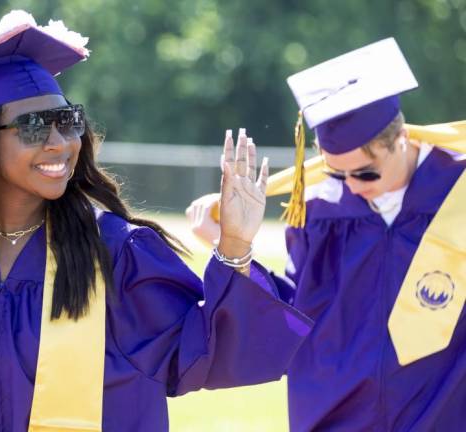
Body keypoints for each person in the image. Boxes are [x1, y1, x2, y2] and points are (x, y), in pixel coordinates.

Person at [0, 10, 312, 431]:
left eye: (67, 120)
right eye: (32, 126)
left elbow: (202, 354)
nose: (59, 142)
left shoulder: (117, 253)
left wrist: (233, 245)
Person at [187, 38, 466, 431]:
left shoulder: (458, 193)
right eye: (337, 172)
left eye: (366, 172)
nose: (351, 187)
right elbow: (292, 311)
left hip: (441, 413)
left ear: (401, 140)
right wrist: (232, 246)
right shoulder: (320, 209)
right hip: (336, 415)